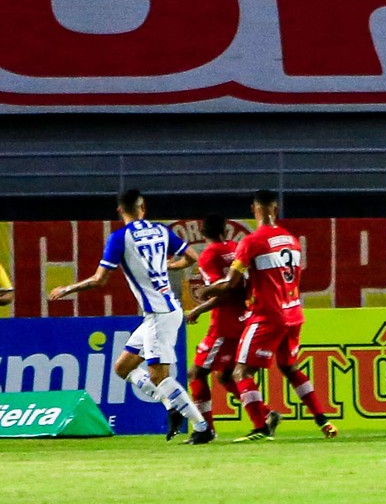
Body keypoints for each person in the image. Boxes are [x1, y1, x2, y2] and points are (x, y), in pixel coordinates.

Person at [48, 189, 213, 444]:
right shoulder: (160, 230)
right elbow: (191, 258)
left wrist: (68, 288)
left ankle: (202, 427)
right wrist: (168, 265)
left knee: (158, 375)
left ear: (119, 210)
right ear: (143, 207)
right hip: (160, 312)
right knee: (122, 367)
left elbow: (99, 280)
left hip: (160, 314)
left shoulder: (119, 238)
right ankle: (172, 406)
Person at [198, 189, 337, 442]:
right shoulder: (292, 240)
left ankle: (261, 427)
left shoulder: (251, 242)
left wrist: (205, 290)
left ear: (255, 209)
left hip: (267, 315)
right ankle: (323, 420)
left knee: (241, 372)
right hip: (294, 312)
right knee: (290, 367)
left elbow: (231, 283)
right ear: (276, 209)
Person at [184, 214, 246, 436]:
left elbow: (223, 291)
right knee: (226, 376)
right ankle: (265, 414)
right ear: (225, 230)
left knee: (196, 373)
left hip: (223, 324)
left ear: (202, 233)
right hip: (243, 319)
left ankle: (207, 428)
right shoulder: (236, 248)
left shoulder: (209, 254)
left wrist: (198, 308)